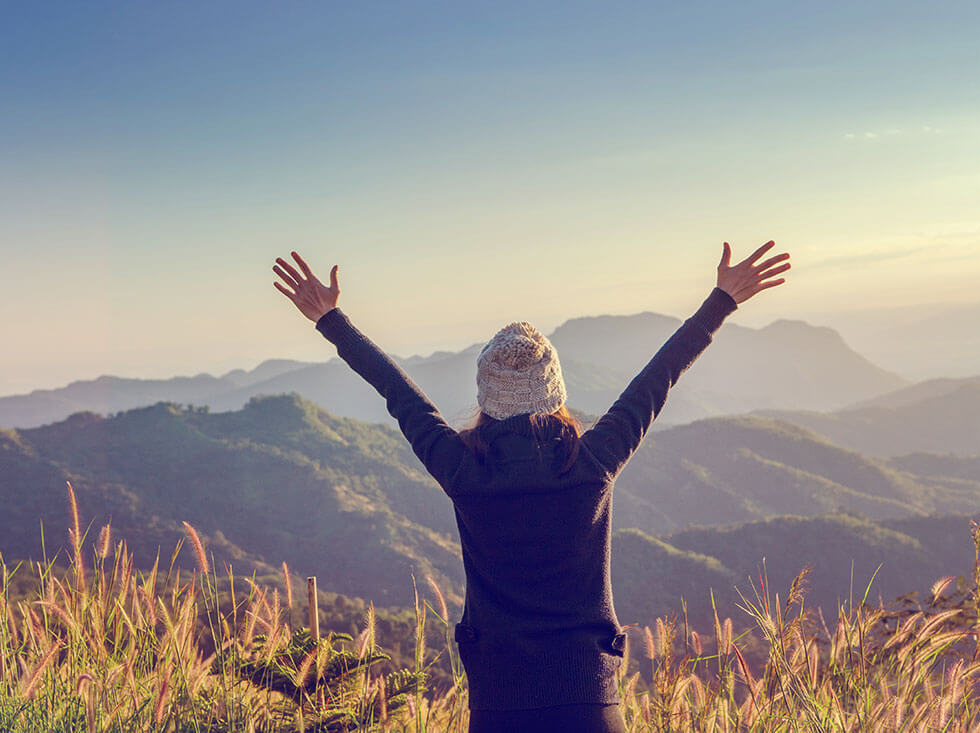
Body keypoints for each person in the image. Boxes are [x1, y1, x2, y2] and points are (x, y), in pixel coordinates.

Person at [273, 242, 790, 733]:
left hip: (500, 703)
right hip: (590, 699)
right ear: (555, 392)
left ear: (486, 397)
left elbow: (398, 393)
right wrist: (721, 301)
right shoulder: (592, 462)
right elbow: (658, 379)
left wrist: (331, 320)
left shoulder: (463, 470)